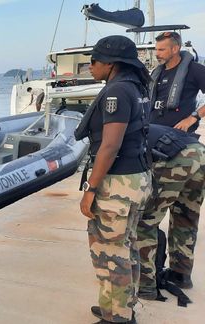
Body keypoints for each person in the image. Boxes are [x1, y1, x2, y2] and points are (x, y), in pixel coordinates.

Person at [73, 35, 153, 324]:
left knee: (110, 253)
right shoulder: (136, 86)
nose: (91, 67)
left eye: (93, 62)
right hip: (137, 177)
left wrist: (90, 189)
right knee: (127, 246)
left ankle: (116, 317)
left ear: (110, 63)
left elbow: (110, 145)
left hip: (118, 183)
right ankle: (118, 305)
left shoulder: (117, 92)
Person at [137, 124, 204, 298]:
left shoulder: (119, 132)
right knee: (186, 217)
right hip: (200, 153)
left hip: (174, 159)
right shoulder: (140, 125)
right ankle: (181, 274)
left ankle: (145, 285)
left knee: (145, 222)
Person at [149, 31, 205, 135]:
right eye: (156, 50)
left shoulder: (195, 70)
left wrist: (193, 118)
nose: (157, 54)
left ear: (175, 49)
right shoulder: (156, 72)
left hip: (179, 138)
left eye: (161, 50)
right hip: (153, 133)